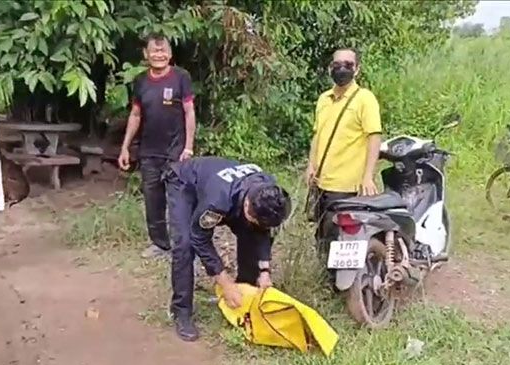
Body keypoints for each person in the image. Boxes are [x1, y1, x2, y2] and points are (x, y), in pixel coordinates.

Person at [164, 156, 291, 342]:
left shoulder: (269, 192)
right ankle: (181, 311)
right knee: (185, 244)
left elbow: (263, 232)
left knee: (251, 233)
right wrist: (224, 282)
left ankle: (244, 295)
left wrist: (264, 271)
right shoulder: (217, 201)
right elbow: (199, 237)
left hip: (226, 188)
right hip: (185, 182)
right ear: (247, 205)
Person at [118, 33, 196, 258]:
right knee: (153, 200)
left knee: (178, 200)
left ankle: (182, 246)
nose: (159, 55)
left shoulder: (181, 77)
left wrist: (188, 146)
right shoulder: (141, 81)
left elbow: (189, 112)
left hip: (175, 151)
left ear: (170, 54)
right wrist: (125, 147)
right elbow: (135, 114)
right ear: (146, 54)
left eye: (163, 51)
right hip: (149, 151)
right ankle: (160, 244)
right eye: (154, 50)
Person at [305, 48, 382, 251]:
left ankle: (339, 273)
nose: (342, 69)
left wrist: (368, 176)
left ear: (357, 69)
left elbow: (374, 137)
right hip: (321, 183)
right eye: (337, 65)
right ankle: (323, 269)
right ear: (330, 68)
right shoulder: (324, 99)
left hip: (346, 186)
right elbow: (317, 135)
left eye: (348, 65)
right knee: (322, 235)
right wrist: (311, 165)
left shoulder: (364, 99)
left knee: (340, 238)